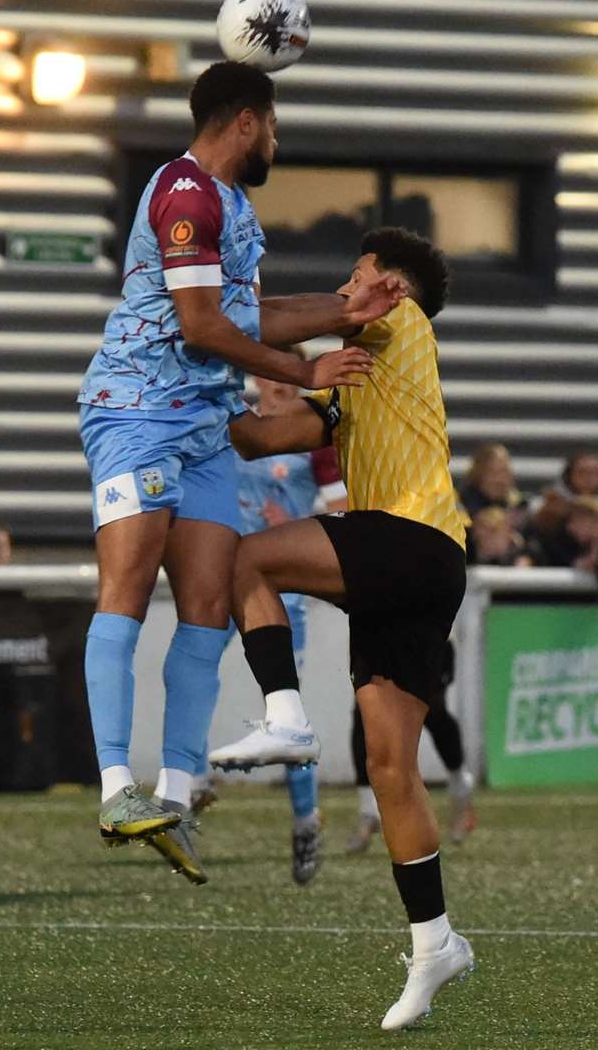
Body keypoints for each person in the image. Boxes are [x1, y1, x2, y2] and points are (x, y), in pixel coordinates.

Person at [74, 60, 403, 875]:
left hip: (206, 426)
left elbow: (249, 314)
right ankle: (117, 787)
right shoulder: (184, 194)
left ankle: (176, 798)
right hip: (139, 412)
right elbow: (197, 326)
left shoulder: (232, 208)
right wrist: (307, 370)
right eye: (276, 126)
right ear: (247, 123)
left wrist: (344, 309)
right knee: (123, 589)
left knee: (208, 606)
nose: (277, 143)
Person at [208, 228, 475, 1031]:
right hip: (429, 566)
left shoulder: (400, 324)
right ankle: (436, 943)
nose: (343, 287)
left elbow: (286, 320)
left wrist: (203, 319)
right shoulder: (365, 377)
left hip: (410, 538)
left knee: (246, 559)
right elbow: (258, 437)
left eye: (355, 274)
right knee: (391, 769)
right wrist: (188, 408)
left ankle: (285, 718)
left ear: (390, 287)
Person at [191, 372, 349, 885]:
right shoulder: (237, 428)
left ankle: (305, 819)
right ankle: (190, 784)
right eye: (270, 374)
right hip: (225, 581)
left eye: (288, 376)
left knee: (286, 714)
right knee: (190, 673)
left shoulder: (313, 438)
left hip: (283, 595)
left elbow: (343, 505)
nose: (277, 385)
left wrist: (297, 524)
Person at [347, 640, 476, 852]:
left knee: (432, 711)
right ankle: (368, 810)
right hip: (376, 634)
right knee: (364, 714)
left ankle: (461, 785)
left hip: (424, 631)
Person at [537, 496, 598, 599]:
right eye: (585, 521)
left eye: (595, 522)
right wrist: (576, 564)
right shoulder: (551, 545)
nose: (593, 527)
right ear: (570, 524)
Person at [458, 443, 528, 519]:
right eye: (493, 473)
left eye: (504, 471)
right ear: (478, 475)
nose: (499, 480)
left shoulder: (519, 507)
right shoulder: (460, 510)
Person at [466, 505, 538, 567]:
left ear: (507, 533)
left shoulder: (522, 556)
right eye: (479, 538)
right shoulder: (467, 555)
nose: (484, 543)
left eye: (492, 533)